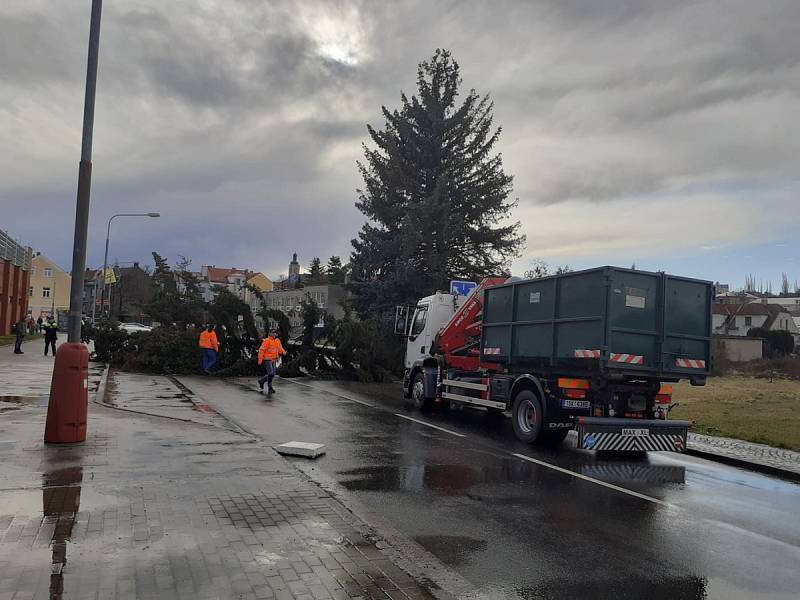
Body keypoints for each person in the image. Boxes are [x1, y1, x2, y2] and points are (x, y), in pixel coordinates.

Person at [257, 329, 286, 395]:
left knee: (272, 374)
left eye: (275, 333)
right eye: (273, 333)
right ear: (270, 333)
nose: (274, 334)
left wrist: (283, 352)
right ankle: (270, 388)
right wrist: (260, 360)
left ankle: (261, 381)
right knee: (271, 373)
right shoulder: (267, 341)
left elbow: (280, 348)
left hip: (274, 359)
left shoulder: (277, 341)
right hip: (268, 360)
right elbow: (261, 350)